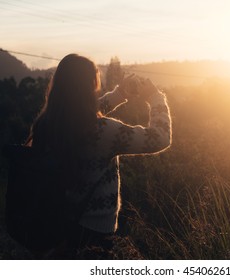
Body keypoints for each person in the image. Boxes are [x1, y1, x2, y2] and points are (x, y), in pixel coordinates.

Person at [27, 54, 172, 258]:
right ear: (89, 87)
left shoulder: (46, 124)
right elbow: (160, 138)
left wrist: (121, 93)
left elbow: (83, 114)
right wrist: (156, 97)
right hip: (94, 232)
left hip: (55, 224)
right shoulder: (103, 132)